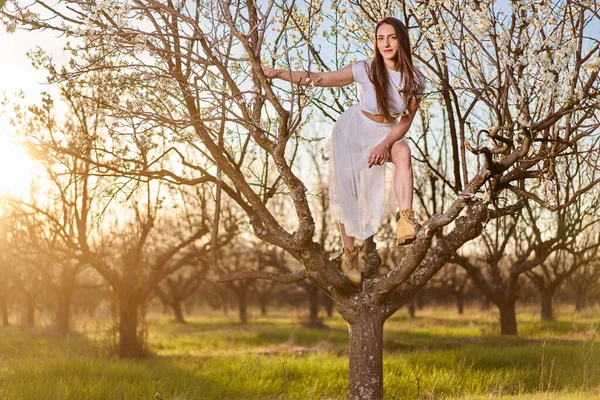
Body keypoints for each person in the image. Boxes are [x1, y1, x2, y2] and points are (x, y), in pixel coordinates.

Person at [262, 17, 426, 285]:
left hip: (388, 133)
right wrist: (278, 73)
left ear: (401, 41)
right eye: (380, 38)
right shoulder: (365, 69)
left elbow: (406, 120)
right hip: (354, 131)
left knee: (403, 152)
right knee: (346, 188)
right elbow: (319, 79)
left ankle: (406, 219)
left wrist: (385, 144)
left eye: (392, 38)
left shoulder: (416, 79)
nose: (385, 43)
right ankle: (350, 254)